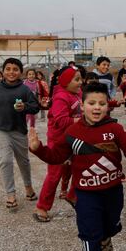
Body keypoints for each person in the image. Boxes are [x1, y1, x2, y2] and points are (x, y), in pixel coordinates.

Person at [29, 83, 126, 251]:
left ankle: (106, 236)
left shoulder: (115, 129)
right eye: (91, 103)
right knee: (89, 233)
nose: (97, 107)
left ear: (108, 106)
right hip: (85, 193)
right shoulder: (72, 132)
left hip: (112, 191)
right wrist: (39, 149)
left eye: (101, 103)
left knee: (111, 225)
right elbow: (57, 156)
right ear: (82, 106)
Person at [0, 58, 40, 209]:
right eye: (8, 69)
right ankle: (11, 194)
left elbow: (35, 107)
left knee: (23, 162)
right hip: (0, 130)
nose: (11, 72)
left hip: (19, 130)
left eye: (15, 69)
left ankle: (28, 188)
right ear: (3, 70)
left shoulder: (25, 89)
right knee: (5, 161)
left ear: (20, 72)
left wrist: (24, 106)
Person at [33, 66, 82, 222]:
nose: (81, 82)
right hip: (59, 141)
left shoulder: (77, 93)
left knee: (81, 167)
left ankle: (73, 196)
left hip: (75, 138)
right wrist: (82, 120)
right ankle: (41, 206)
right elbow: (61, 121)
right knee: (55, 175)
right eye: (77, 79)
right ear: (66, 82)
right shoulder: (61, 97)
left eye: (81, 78)